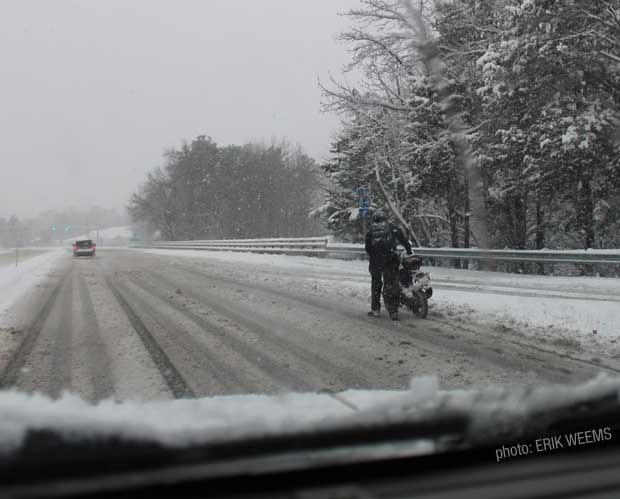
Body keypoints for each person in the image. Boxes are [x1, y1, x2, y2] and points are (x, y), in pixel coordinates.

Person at [364, 210, 412, 321]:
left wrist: (374, 256)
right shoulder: (392, 227)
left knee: (376, 284)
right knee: (391, 285)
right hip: (390, 260)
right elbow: (404, 240)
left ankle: (375, 309)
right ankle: (393, 311)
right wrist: (408, 250)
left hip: (376, 261)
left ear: (374, 219)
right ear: (385, 218)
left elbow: (367, 247)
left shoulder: (371, 230)